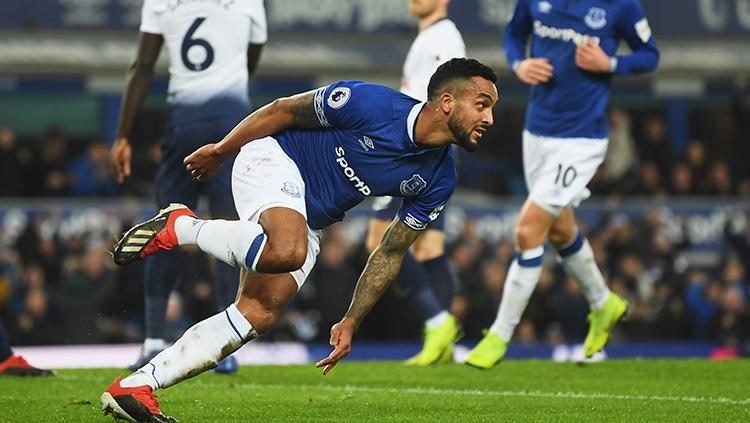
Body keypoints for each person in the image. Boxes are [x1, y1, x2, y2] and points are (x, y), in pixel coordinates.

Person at [100, 58, 497, 422]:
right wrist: (222, 151)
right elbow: (281, 110)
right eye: (482, 104)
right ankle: (181, 226)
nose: (490, 118)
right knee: (288, 250)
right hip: (272, 159)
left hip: (308, 218)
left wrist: (352, 320)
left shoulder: (440, 177)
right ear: (447, 102)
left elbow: (391, 250)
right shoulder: (372, 104)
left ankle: (136, 387)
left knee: (257, 313)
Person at [464, 0, 659, 369]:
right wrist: (519, 63)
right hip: (537, 132)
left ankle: (499, 335)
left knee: (529, 228)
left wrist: (611, 64)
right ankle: (604, 304)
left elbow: (650, 56)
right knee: (559, 228)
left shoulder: (620, 7)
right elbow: (514, 32)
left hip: (581, 140)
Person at [110, 0, 267, 374]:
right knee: (232, 231)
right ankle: (226, 347)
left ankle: (152, 341)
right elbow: (251, 56)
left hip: (185, 122)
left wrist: (122, 135)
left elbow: (143, 65)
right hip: (233, 123)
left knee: (168, 224)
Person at [366, 0, 466, 366]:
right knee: (429, 248)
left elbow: (454, 98)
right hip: (429, 151)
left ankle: (438, 323)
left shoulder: (443, 38)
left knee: (378, 240)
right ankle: (444, 338)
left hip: (417, 152)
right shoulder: (430, 36)